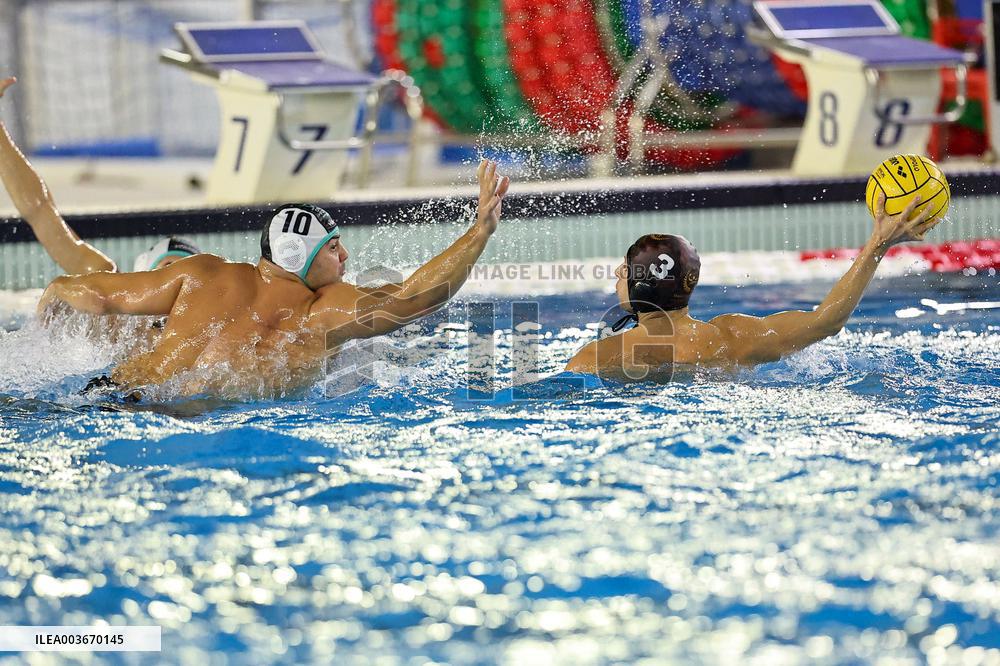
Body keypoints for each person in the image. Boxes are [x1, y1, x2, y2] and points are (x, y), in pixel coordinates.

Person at [37, 159, 510, 400]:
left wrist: (53, 300)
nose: (345, 255)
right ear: (296, 254)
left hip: (112, 396)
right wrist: (478, 231)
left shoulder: (201, 274)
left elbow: (95, 298)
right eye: (332, 247)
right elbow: (416, 298)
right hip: (197, 425)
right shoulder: (320, 312)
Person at [566, 192, 940, 379]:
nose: (617, 276)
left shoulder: (600, 357)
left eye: (624, 271)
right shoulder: (735, 336)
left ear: (641, 287)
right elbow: (827, 320)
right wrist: (878, 244)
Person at [0, 76, 200, 275]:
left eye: (191, 274)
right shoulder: (111, 297)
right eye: (169, 267)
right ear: (144, 273)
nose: (180, 279)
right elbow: (40, 211)